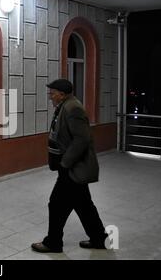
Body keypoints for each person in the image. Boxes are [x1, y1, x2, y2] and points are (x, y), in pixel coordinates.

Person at [31, 79, 108, 253]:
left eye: (53, 93)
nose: (50, 96)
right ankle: (98, 238)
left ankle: (53, 243)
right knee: (83, 204)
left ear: (62, 94)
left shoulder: (73, 108)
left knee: (56, 205)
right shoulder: (66, 106)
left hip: (73, 169)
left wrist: (65, 163)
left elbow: (82, 139)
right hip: (71, 168)